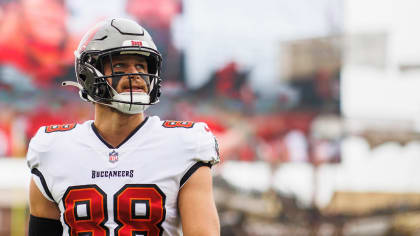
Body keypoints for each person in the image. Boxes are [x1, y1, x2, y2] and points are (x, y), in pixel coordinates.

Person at [27, 18, 220, 236]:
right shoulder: (52, 149)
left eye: (141, 66)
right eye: (120, 66)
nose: (136, 75)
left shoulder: (185, 144)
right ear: (88, 74)